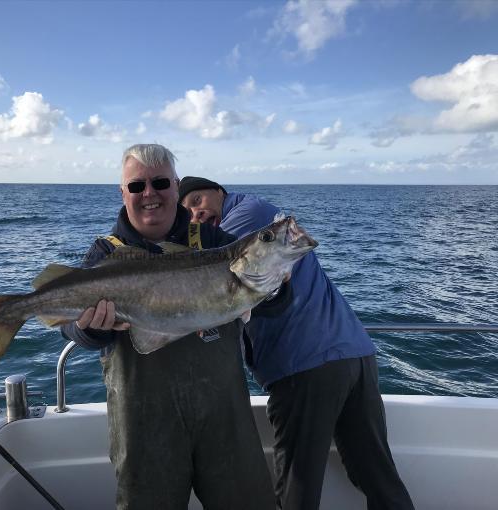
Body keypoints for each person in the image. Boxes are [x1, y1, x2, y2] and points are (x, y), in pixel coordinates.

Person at [179, 176, 415, 510]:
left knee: (296, 490)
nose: (195, 214)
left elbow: (212, 265)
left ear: (220, 191)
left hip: (304, 364)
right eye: (186, 210)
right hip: (355, 354)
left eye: (198, 200)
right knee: (377, 475)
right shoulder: (261, 219)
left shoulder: (250, 214)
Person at [60, 146, 275, 510]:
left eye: (160, 182)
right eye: (137, 185)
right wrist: (90, 330)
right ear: (123, 192)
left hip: (224, 418)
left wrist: (277, 284)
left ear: (176, 187)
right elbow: (67, 325)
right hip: (144, 426)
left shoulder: (211, 242)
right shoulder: (105, 253)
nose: (149, 194)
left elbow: (270, 301)